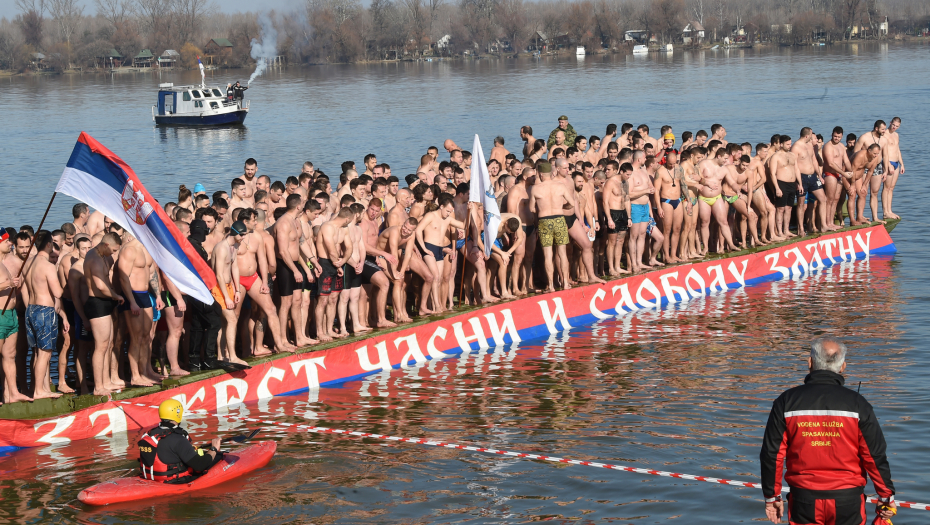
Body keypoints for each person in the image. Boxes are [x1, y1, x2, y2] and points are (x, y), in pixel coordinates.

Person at [760, 337, 896, 525]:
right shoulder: (858, 404)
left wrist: (772, 496)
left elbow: (772, 454)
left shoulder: (786, 401)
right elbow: (874, 455)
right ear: (843, 367)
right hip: (848, 501)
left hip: (803, 500)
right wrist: (885, 495)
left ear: (810, 363)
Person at [24, 231, 68, 399]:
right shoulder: (47, 265)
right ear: (49, 244)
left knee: (37, 351)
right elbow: (58, 292)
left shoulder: (29, 263)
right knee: (45, 353)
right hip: (44, 310)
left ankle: (42, 388)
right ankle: (39, 390)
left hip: (31, 309)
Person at [138, 399, 224, 483]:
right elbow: (200, 465)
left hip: (152, 477)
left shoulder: (149, 434)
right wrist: (214, 448)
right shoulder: (178, 439)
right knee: (219, 456)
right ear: (177, 415)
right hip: (174, 482)